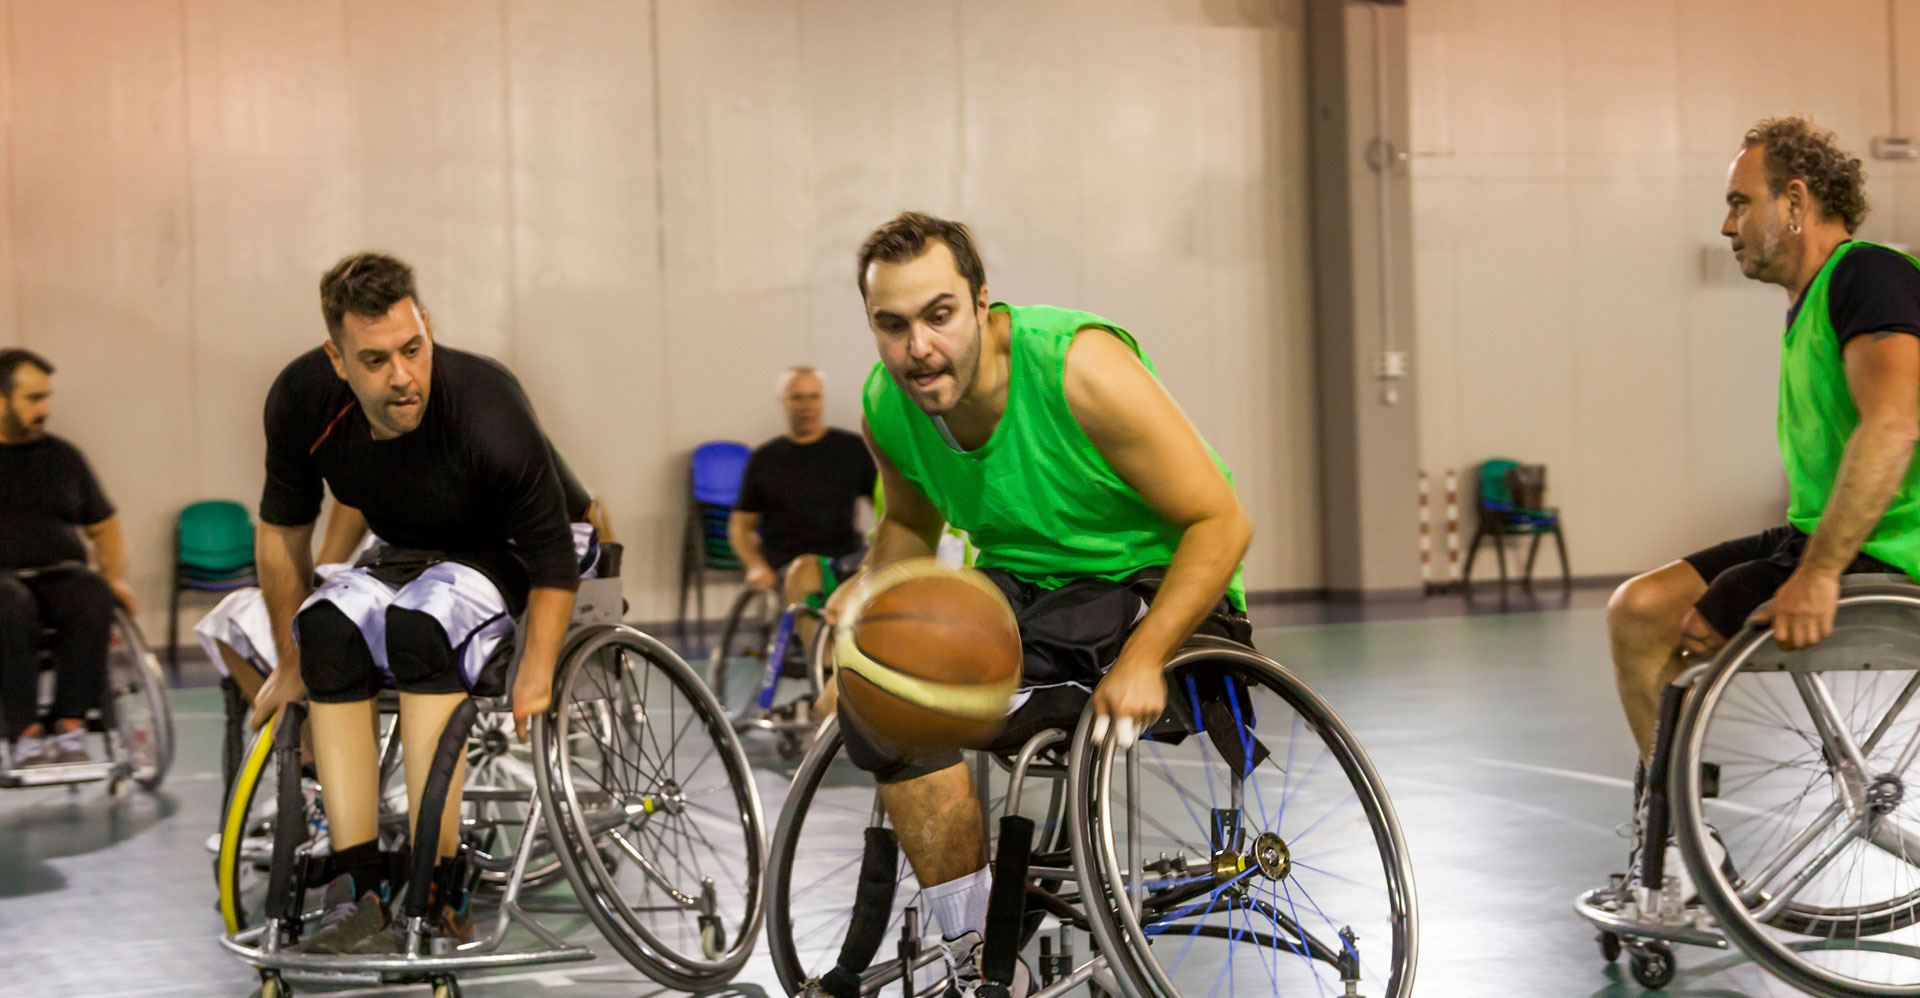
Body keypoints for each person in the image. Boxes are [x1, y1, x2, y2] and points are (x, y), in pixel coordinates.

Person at [824, 212, 1252, 996]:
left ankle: (987, 953)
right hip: (1021, 595)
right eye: (892, 325)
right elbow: (910, 525)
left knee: (974, 692)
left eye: (938, 315)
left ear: (983, 304)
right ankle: (976, 958)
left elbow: (1221, 522)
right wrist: (863, 624)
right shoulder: (889, 406)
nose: (917, 346)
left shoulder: (1079, 369)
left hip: (1150, 584)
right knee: (884, 703)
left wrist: (1148, 655)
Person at [1605, 117, 1920, 910]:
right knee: (1640, 611)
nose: (1725, 225)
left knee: (1696, 628)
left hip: (1891, 551)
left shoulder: (1868, 276)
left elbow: (1894, 424)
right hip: (1830, 536)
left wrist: (1817, 575)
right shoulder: (1812, 302)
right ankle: (1677, 835)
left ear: (1795, 200)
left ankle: (1671, 848)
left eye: (1738, 202)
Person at [247, 252, 584, 953]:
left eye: (412, 349)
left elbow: (553, 552)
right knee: (327, 630)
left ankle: (439, 887)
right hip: (413, 546)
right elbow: (283, 538)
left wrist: (538, 667)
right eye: (374, 361)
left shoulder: (485, 404)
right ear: (336, 360)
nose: (402, 377)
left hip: (520, 543)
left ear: (426, 327)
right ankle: (361, 891)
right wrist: (290, 666)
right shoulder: (301, 400)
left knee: (423, 625)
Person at [0, 349, 136, 768]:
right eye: (33, 399)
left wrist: (115, 578)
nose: (45, 409)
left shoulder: (63, 456)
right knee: (7, 604)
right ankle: (23, 734)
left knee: (92, 593)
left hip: (59, 576)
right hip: (4, 583)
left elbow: (104, 524)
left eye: (46, 397)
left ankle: (71, 724)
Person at [728, 365, 875, 654]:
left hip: (845, 559)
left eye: (813, 397)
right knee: (807, 569)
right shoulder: (765, 459)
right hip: (788, 563)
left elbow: (887, 506)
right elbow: (740, 526)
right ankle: (822, 665)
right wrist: (756, 566)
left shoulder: (850, 449)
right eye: (797, 398)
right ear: (783, 403)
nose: (807, 406)